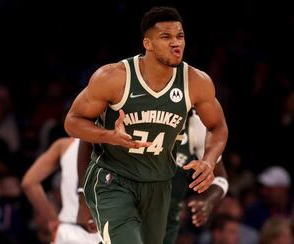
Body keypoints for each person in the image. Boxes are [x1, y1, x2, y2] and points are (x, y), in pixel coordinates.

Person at [64, 6, 228, 244]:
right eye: (166, 37)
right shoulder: (113, 77)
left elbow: (218, 127)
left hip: (159, 183)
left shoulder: (196, 82)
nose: (176, 43)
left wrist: (209, 160)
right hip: (113, 178)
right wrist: (108, 135)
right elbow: (72, 122)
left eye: (180, 36)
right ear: (147, 44)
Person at [164, 109, 227, 244]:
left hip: (168, 216)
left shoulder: (195, 125)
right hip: (132, 205)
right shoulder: (138, 109)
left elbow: (220, 177)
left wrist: (208, 201)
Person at [21, 137, 102, 244]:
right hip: (107, 229)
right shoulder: (118, 141)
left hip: (68, 230)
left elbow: (29, 182)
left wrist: (52, 219)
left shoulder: (64, 145)